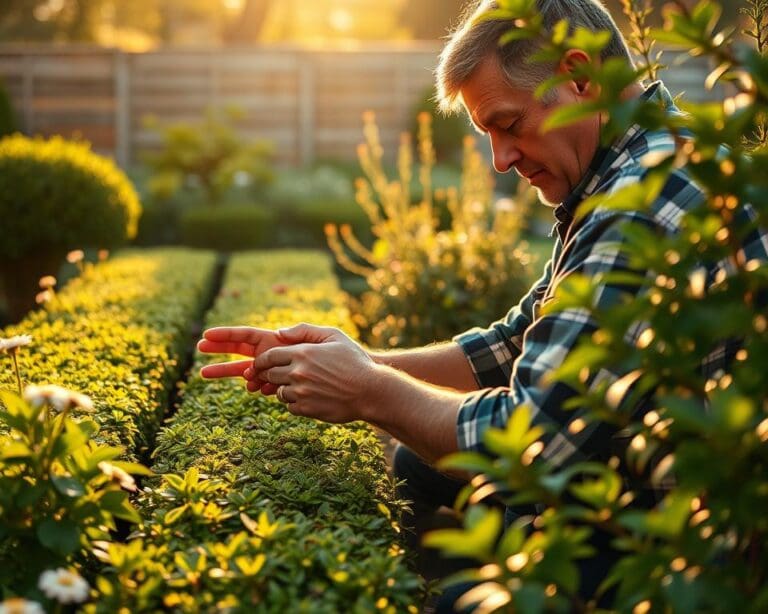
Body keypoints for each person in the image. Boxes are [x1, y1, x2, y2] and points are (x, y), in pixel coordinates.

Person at [198, 0, 768, 608]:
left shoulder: (638, 203)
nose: (500, 160)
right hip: (646, 499)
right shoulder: (625, 168)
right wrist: (358, 358)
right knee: (418, 465)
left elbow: (535, 441)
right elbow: (513, 343)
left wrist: (368, 391)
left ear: (578, 77)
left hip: (695, 568)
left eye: (509, 124)